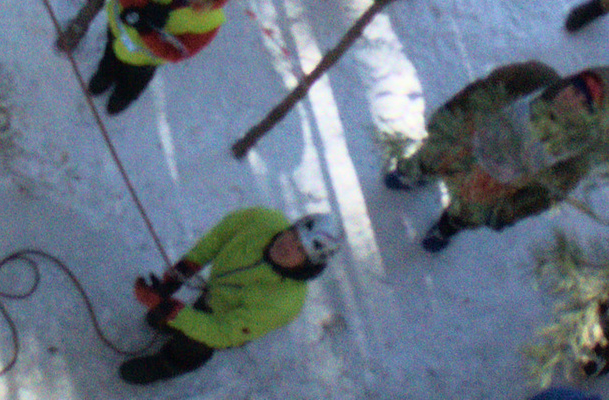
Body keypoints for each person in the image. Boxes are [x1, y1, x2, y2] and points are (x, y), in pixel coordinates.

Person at [384, 61, 608, 246]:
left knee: (467, 212)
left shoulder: (575, 157)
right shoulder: (535, 78)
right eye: (575, 90)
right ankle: (416, 172)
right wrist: (446, 118)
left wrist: (504, 214)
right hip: (467, 138)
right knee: (432, 156)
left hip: (492, 184)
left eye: (585, 105)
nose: (571, 101)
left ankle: (447, 227)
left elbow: (545, 196)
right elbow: (480, 91)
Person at [120, 212, 330, 380]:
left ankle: (171, 363)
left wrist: (168, 309)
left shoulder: (284, 303)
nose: (288, 246)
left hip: (228, 323)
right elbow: (217, 239)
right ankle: (183, 320)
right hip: (215, 294)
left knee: (196, 342)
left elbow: (222, 332)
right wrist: (179, 275)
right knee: (189, 313)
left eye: (301, 250)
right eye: (294, 235)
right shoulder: (262, 220)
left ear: (307, 263)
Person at [86, 0, 230, 113]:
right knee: (110, 54)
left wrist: (147, 32)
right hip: (118, 29)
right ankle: (105, 74)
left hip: (144, 59)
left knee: (135, 79)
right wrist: (144, 6)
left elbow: (178, 52)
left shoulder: (210, 22)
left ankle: (125, 94)